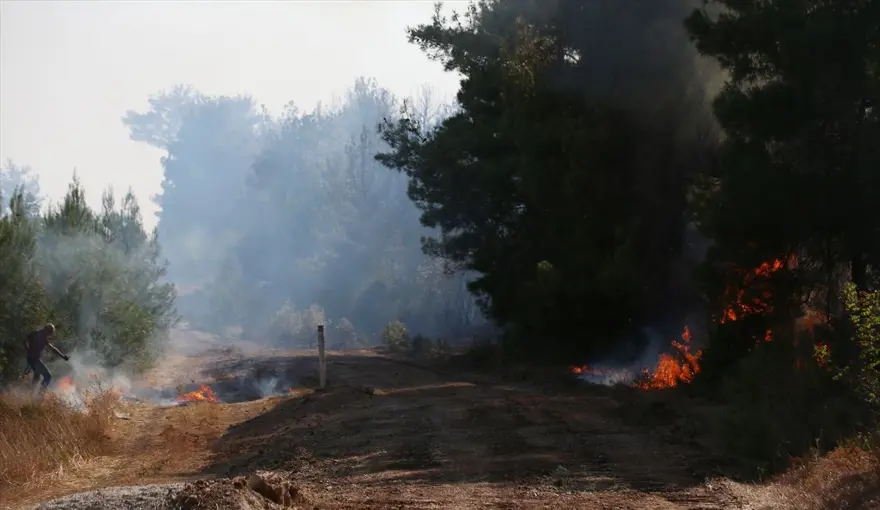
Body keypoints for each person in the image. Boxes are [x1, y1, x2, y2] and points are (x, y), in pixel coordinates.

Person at [24, 323, 69, 393]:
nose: (51, 334)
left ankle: (31, 395)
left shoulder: (37, 334)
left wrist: (27, 349)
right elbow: (53, 349)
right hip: (34, 360)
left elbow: (26, 339)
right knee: (48, 376)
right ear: (48, 331)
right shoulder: (41, 336)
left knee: (37, 376)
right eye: (51, 332)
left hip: (31, 359)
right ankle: (40, 395)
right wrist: (63, 356)